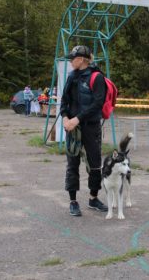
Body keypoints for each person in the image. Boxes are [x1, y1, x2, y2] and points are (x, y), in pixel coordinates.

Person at [60, 45, 108, 217]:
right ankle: (73, 202)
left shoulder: (97, 78)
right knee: (72, 165)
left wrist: (76, 119)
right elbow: (64, 102)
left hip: (91, 127)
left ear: (81, 59)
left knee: (95, 165)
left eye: (72, 58)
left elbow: (97, 104)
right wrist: (65, 117)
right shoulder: (71, 77)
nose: (70, 61)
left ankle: (93, 198)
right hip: (72, 128)